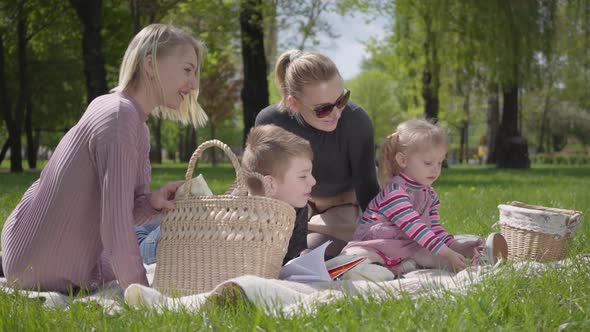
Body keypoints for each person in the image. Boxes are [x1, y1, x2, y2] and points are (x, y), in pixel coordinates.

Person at [1, 23, 207, 292]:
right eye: (187, 70)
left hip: (31, 252)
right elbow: (115, 224)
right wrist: (143, 295)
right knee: (153, 248)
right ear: (150, 65)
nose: (193, 85)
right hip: (36, 266)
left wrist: (153, 203)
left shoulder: (133, 122)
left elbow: (121, 209)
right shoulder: (119, 116)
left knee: (152, 243)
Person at [341, 119, 507, 275]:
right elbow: (417, 228)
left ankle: (477, 258)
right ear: (402, 160)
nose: (435, 169)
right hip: (378, 245)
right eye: (428, 163)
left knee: (439, 255)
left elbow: (434, 230)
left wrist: (454, 245)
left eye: (440, 163)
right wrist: (447, 252)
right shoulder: (395, 193)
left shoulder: (429, 194)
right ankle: (384, 266)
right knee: (357, 256)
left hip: (408, 246)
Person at [255, 49, 380, 257]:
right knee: (275, 251)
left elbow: (368, 190)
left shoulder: (356, 122)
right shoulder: (271, 123)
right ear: (293, 103)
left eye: (342, 100)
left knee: (311, 253)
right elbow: (262, 185)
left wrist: (381, 237)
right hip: (297, 205)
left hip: (346, 206)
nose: (337, 113)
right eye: (323, 109)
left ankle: (311, 234)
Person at [136, 124, 317, 266]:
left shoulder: (294, 205)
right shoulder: (238, 217)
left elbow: (291, 256)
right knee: (135, 236)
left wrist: (303, 258)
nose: (313, 181)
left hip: (175, 225)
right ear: (270, 183)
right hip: (158, 245)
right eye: (303, 176)